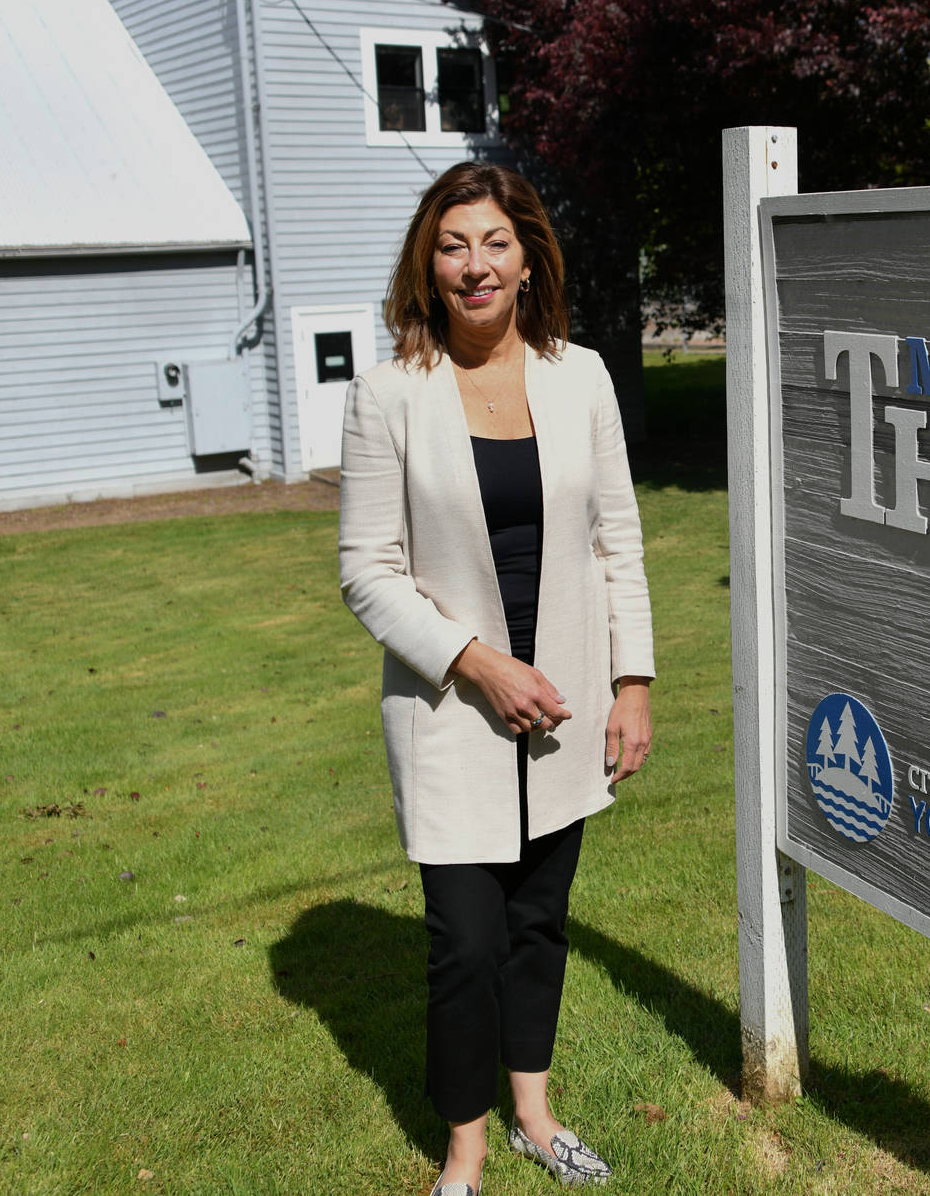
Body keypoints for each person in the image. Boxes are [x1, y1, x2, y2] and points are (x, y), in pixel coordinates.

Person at [338, 162, 654, 1195]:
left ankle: (533, 1114)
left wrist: (632, 683)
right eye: (451, 246)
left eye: (493, 244)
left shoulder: (583, 377)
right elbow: (366, 571)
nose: (473, 265)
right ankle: (463, 1153)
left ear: (527, 261)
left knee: (537, 926)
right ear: (426, 268)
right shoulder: (389, 396)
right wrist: (474, 662)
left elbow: (618, 542)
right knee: (465, 943)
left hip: (564, 708)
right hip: (451, 710)